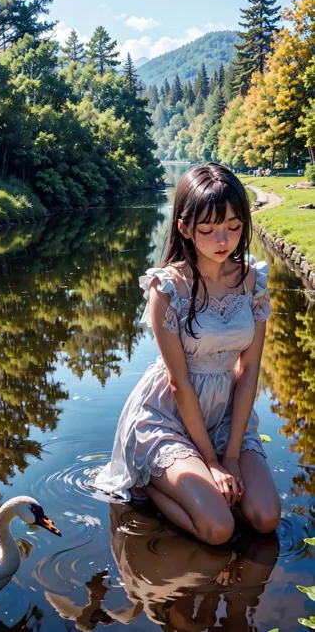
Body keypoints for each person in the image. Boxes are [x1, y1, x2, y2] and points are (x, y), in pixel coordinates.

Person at [95, 163, 281, 545]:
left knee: (265, 518)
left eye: (233, 225)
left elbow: (248, 373)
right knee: (219, 528)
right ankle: (147, 484)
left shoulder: (253, 281)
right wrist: (210, 464)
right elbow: (179, 383)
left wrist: (229, 457)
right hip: (169, 415)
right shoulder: (168, 289)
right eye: (209, 229)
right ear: (184, 228)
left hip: (226, 413)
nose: (223, 239)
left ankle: (202, 480)